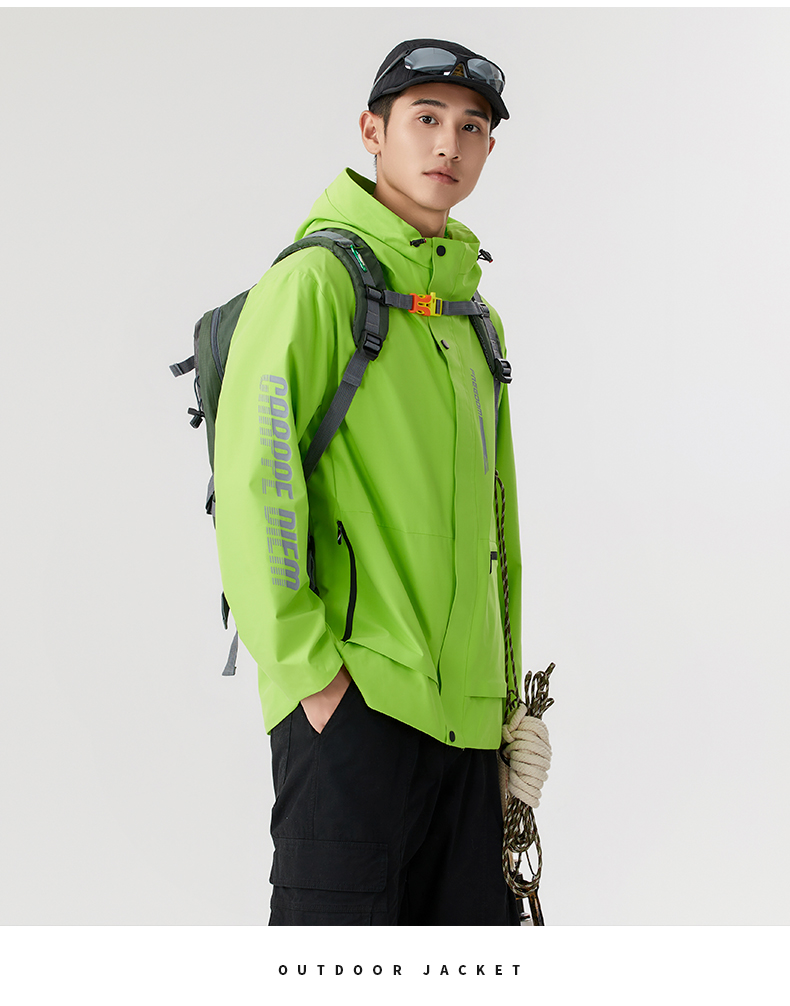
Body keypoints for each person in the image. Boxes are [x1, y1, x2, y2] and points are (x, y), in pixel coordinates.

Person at [213, 38, 523, 925]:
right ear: (372, 131)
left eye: (472, 128)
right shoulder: (316, 284)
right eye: (425, 118)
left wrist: (504, 706)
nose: (448, 145)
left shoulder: (475, 318)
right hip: (354, 712)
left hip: (469, 730)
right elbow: (257, 489)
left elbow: (497, 526)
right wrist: (315, 678)